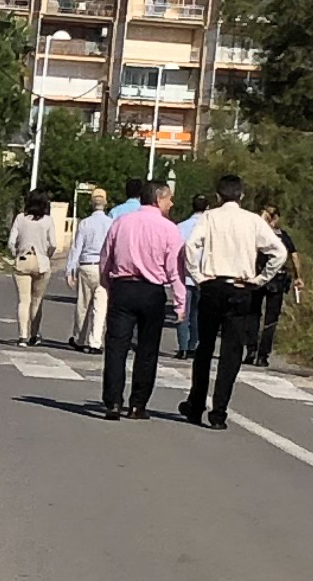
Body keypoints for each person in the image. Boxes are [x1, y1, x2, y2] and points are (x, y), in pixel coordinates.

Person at [175, 175, 288, 430]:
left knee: (204, 347)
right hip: (241, 287)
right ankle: (219, 412)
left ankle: (195, 403)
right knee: (231, 351)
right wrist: (260, 279)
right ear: (242, 196)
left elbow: (190, 245)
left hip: (213, 285)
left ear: (218, 196)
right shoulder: (252, 221)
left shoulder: (209, 217)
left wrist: (198, 275)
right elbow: (279, 252)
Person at [96, 179, 185, 419]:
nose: (171, 203)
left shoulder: (121, 222)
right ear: (158, 198)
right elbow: (175, 269)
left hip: (123, 288)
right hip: (152, 291)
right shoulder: (169, 229)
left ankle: (113, 402)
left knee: (116, 347)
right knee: (147, 350)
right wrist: (179, 301)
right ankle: (138, 404)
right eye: (168, 198)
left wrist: (107, 284)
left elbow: (106, 256)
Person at [6, 191, 62, 345]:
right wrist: (46, 256)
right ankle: (34, 334)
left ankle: (22, 336)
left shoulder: (20, 218)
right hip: (41, 262)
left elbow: (11, 241)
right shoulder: (48, 220)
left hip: (23, 259)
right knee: (37, 300)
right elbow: (53, 244)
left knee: (23, 301)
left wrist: (15, 254)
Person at [62, 194, 113, 352]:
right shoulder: (111, 224)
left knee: (83, 305)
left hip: (86, 266)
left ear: (91, 204)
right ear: (105, 204)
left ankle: (79, 338)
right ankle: (95, 342)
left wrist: (70, 270)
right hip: (103, 267)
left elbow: (76, 248)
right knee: (100, 306)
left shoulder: (84, 223)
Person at [173, 190, 220, 358]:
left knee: (183, 312)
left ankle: (183, 347)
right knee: (199, 314)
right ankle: (194, 345)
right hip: (205, 276)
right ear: (207, 208)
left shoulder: (180, 227)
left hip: (184, 276)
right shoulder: (212, 228)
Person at [254, 206, 298, 367]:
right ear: (276, 218)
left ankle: (252, 350)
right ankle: (262, 355)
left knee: (253, 314)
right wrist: (298, 277)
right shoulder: (283, 237)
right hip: (277, 279)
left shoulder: (257, 235)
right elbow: (294, 257)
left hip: (257, 277)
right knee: (271, 318)